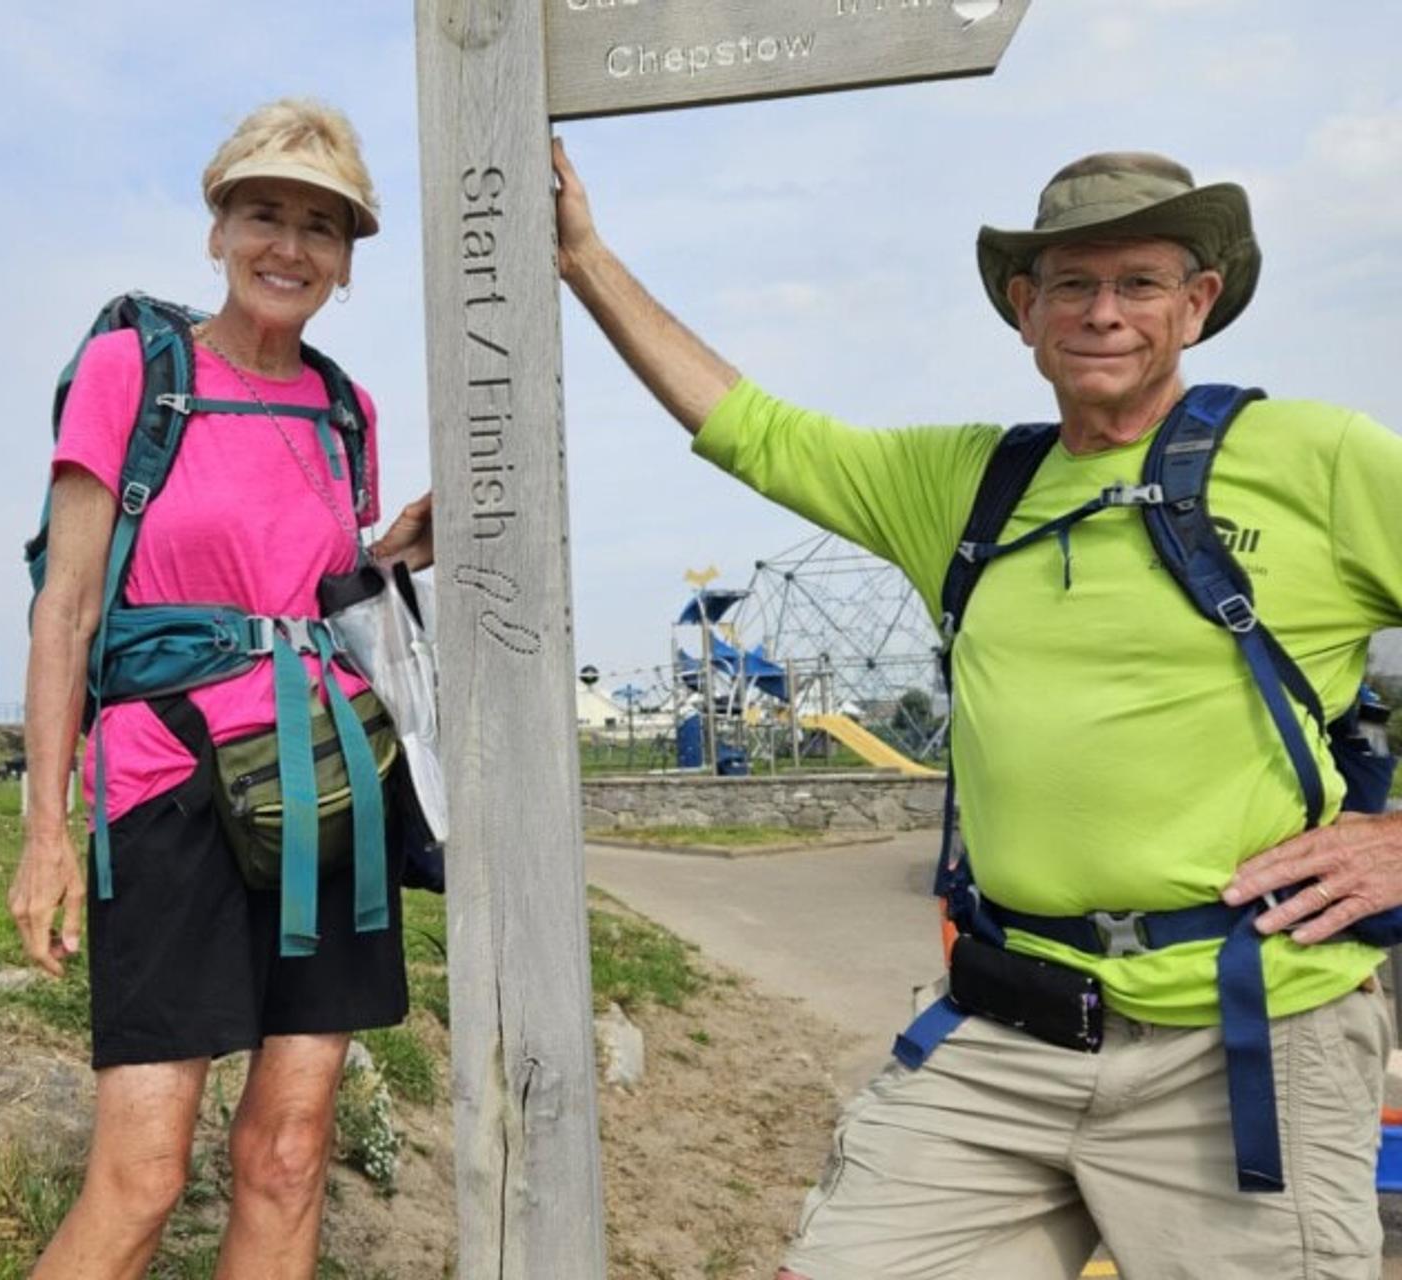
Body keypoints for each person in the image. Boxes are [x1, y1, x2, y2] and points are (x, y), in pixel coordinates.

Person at [553, 139, 1402, 1279]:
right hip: (1014, 1022)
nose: (1104, 312)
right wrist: (585, 259)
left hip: (1242, 1042)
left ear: (1196, 304)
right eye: (1072, 284)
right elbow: (753, 430)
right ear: (1025, 307)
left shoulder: (1320, 459)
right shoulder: (967, 486)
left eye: (1140, 282)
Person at [8, 99, 431, 1280]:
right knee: (144, 1176)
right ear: (217, 230)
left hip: (329, 796)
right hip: (168, 795)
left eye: (320, 225)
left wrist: (393, 547)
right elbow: (68, 606)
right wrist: (47, 831)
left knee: (291, 1150)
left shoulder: (347, 407)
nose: (288, 246)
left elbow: (312, 591)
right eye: (263, 213)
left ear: (347, 261)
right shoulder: (130, 371)